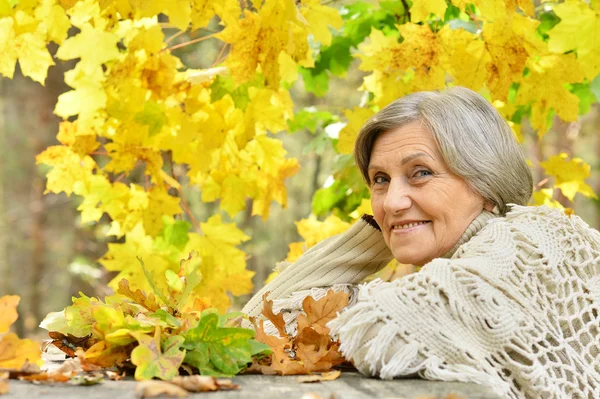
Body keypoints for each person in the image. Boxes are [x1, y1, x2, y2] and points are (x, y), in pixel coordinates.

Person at [242, 87, 600, 399]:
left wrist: (353, 299)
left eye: (422, 173)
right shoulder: (455, 270)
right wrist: (371, 239)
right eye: (380, 180)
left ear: (486, 182)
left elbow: (383, 332)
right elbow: (252, 329)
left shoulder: (532, 240)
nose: (392, 201)